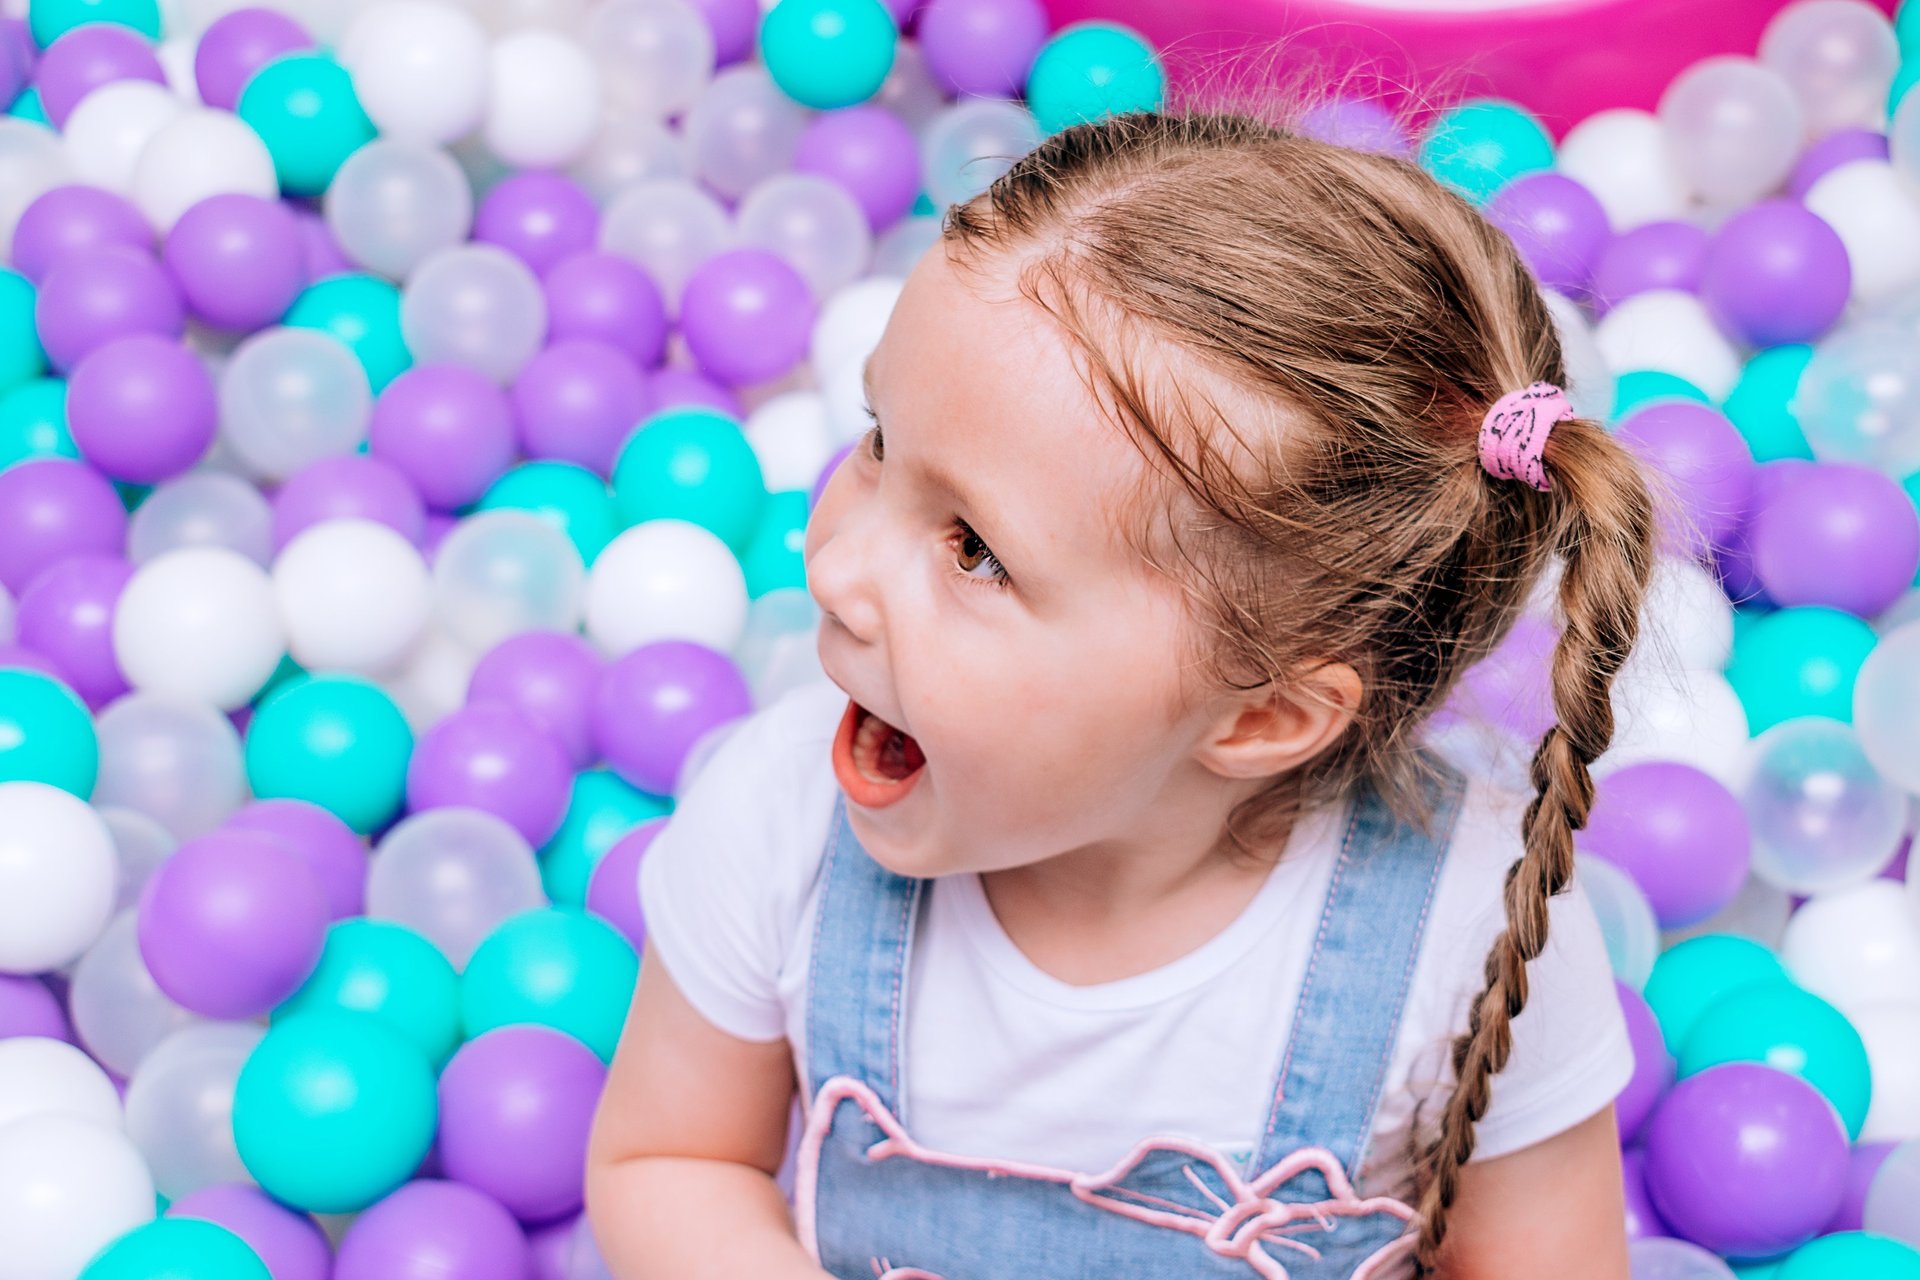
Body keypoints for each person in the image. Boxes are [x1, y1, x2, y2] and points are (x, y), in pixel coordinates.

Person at [585, 105, 1656, 1280]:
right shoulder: (778, 814)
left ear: (1261, 715)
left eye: (975, 549)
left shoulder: (1474, 930)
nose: (835, 570)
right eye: (881, 438)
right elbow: (671, 1159)